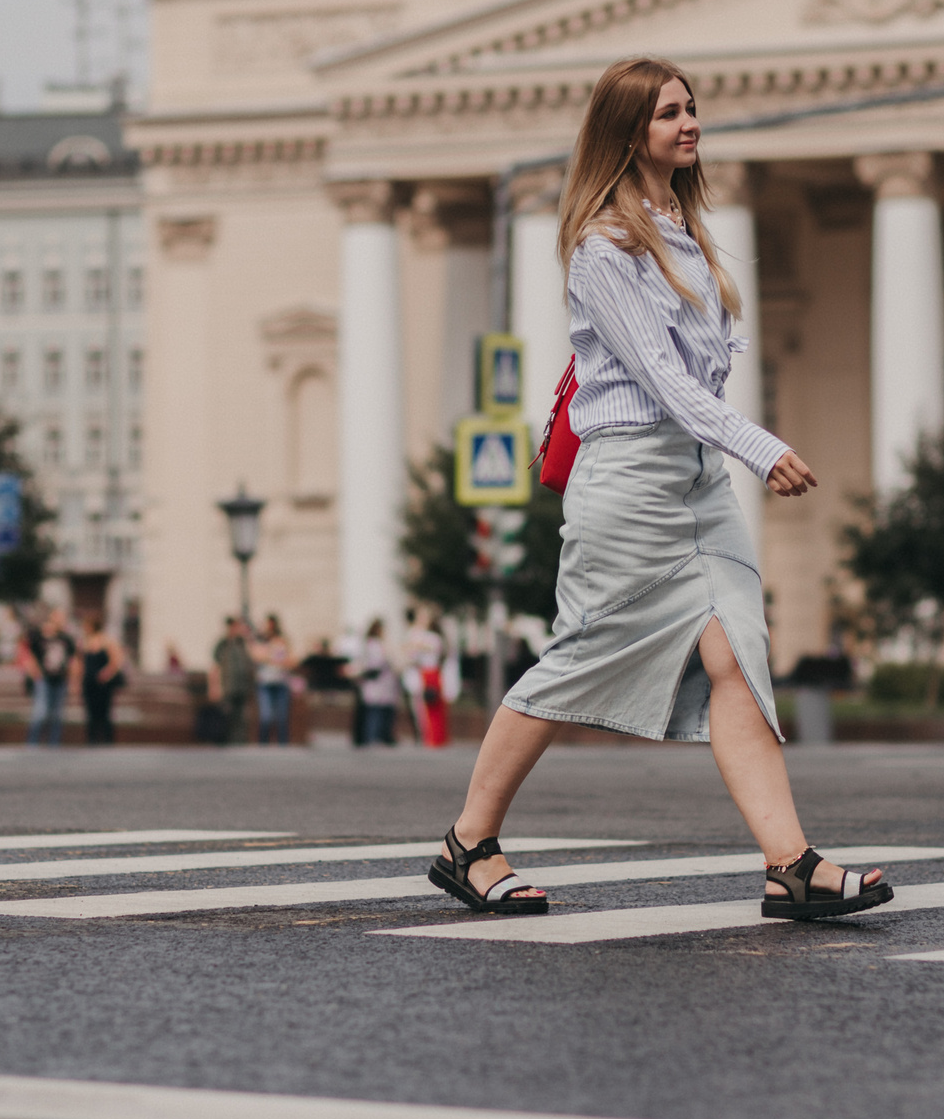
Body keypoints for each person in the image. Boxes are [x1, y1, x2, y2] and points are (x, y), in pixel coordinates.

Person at [424, 56, 889, 922]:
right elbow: (669, 383)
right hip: (630, 480)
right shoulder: (602, 245)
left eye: (692, 107)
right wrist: (759, 447)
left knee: (738, 657)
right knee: (577, 662)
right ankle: (469, 844)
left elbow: (700, 380)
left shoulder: (684, 227)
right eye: (669, 113)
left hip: (697, 480)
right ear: (628, 131)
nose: (689, 123)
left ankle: (790, 863)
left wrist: (728, 455)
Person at [26, 608, 76, 747]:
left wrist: (72, 681)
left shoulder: (66, 638)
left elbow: (73, 659)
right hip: (44, 679)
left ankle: (53, 744)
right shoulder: (39, 636)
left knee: (57, 714)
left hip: (60, 679)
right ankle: (32, 743)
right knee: (40, 712)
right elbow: (31, 656)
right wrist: (35, 673)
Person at [404, 606, 450, 748]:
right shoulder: (416, 634)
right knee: (422, 708)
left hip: (431, 673)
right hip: (423, 674)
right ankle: (427, 736)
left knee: (432, 706)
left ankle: (435, 737)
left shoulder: (432, 637)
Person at [80, 612, 127, 746]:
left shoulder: (107, 641)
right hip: (89, 682)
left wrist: (106, 673)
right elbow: (80, 663)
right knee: (90, 712)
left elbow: (117, 660)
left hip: (104, 683)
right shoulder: (85, 642)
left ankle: (107, 740)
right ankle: (92, 740)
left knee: (105, 712)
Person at [212, 615, 256, 745]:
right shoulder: (223, 643)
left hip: (242, 685)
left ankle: (239, 740)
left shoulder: (242, 643)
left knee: (240, 714)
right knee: (227, 712)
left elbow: (250, 660)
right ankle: (225, 739)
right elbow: (216, 659)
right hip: (228, 684)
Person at [354, 618, 399, 747]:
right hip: (376, 681)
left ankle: (377, 736)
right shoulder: (374, 644)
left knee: (377, 710)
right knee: (374, 711)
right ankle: (372, 736)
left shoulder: (372, 643)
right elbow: (377, 662)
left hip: (380, 683)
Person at [253, 614, 293, 746]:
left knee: (282, 717)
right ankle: (263, 744)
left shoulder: (282, 641)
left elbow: (289, 660)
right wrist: (273, 655)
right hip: (265, 683)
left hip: (281, 682)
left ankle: (283, 744)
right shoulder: (261, 641)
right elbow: (258, 656)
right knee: (266, 716)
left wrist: (273, 658)